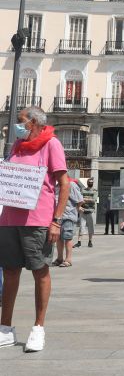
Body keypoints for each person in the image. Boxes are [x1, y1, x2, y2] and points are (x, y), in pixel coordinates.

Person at [0, 106, 69, 352]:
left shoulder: (51, 144)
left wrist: (56, 220)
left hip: (38, 219)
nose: (17, 126)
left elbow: (63, 184)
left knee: (40, 270)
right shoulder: (17, 147)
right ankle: (5, 329)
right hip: (9, 218)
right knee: (9, 271)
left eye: (21, 121)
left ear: (35, 123)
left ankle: (38, 328)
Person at [52, 179, 83, 268]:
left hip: (68, 215)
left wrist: (75, 210)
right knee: (58, 238)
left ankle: (68, 259)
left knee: (67, 237)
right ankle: (59, 258)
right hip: (57, 216)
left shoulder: (71, 185)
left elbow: (80, 200)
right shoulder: (56, 185)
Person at [75, 177, 97, 248]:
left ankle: (90, 242)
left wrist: (84, 199)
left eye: (91, 182)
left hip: (90, 212)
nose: (90, 183)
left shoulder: (95, 191)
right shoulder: (83, 190)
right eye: (89, 182)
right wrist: (87, 200)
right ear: (87, 183)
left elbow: (94, 200)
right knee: (81, 227)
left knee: (91, 228)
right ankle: (79, 242)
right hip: (83, 211)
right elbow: (79, 199)